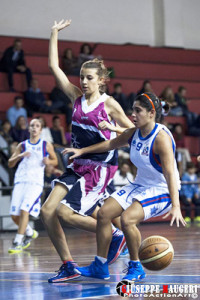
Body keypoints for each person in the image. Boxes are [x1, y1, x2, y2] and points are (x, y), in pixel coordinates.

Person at [41, 19, 134, 283]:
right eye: (81, 77)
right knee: (47, 211)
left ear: (101, 81)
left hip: (100, 166)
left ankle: (115, 235)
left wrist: (112, 128)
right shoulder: (75, 98)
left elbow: (131, 134)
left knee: (63, 212)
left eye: (89, 78)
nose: (83, 81)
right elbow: (53, 66)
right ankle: (69, 265)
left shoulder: (110, 104)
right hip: (78, 163)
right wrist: (54, 33)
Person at [63, 92, 186, 281]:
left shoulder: (161, 139)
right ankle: (100, 266)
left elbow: (170, 173)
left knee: (127, 219)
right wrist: (81, 151)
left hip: (163, 189)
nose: (132, 115)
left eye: (138, 111)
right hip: (140, 184)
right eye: (132, 111)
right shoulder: (133, 133)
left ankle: (136, 267)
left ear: (151, 113)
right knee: (104, 213)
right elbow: (110, 144)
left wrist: (176, 206)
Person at [8, 118, 58, 253]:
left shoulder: (46, 145)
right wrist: (20, 156)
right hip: (20, 181)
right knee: (14, 215)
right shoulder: (22, 145)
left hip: (35, 183)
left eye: (37, 126)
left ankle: (17, 242)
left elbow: (55, 160)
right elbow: (10, 163)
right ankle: (30, 232)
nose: (34, 128)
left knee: (24, 210)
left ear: (41, 130)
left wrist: (49, 161)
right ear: (29, 129)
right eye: (32, 126)